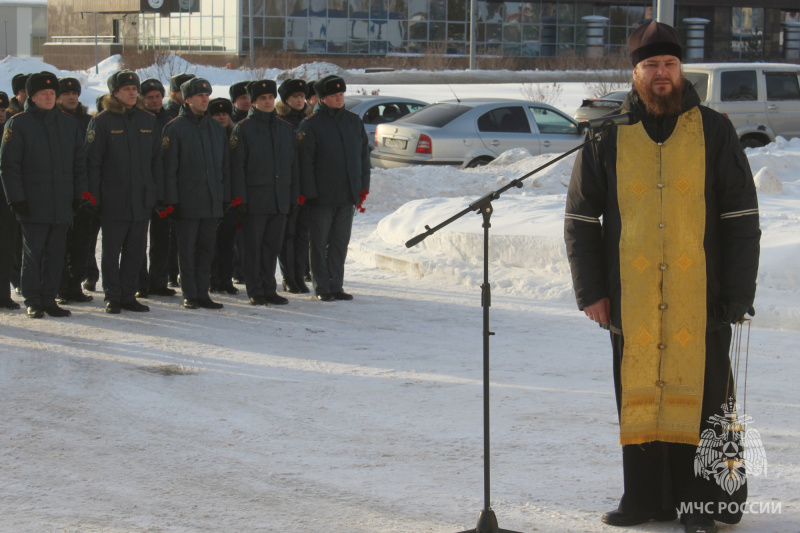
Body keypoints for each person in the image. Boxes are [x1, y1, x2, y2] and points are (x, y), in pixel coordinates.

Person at [564, 22, 760, 533]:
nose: (661, 74)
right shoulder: (607, 134)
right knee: (640, 397)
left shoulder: (714, 131)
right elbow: (581, 218)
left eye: (669, 64)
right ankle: (645, 498)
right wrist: (592, 291)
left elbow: (741, 217)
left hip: (705, 298)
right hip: (632, 298)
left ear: (680, 70)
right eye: (650, 65)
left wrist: (738, 294)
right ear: (634, 73)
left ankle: (703, 504)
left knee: (704, 400)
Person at [0, 71, 88, 318]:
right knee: (33, 253)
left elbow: (79, 163)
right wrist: (15, 199)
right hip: (32, 203)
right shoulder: (18, 123)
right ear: (33, 97)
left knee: (55, 254)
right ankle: (33, 300)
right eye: (43, 94)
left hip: (61, 203)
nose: (49, 98)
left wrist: (78, 194)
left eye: (52, 93)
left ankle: (49, 299)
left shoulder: (68, 124)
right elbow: (9, 166)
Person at [87, 70, 162, 314]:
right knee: (111, 250)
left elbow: (156, 162)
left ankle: (129, 294)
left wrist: (155, 193)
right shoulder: (102, 121)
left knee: (135, 250)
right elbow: (93, 163)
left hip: (141, 199)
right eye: (126, 89)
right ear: (115, 93)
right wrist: (95, 198)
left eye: (134, 89)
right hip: (113, 199)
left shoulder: (148, 120)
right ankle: (113, 295)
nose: (132, 93)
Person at [297, 74, 370, 301]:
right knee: (319, 243)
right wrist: (310, 194)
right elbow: (304, 163)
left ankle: (336, 284)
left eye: (341, 94)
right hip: (322, 196)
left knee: (340, 242)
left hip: (347, 194)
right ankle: (321, 286)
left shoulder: (353, 121)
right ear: (322, 98)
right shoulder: (311, 124)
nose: (339, 99)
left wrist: (362, 188)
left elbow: (363, 158)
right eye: (333, 95)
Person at [162, 77, 230, 310]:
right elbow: (169, 169)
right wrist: (172, 201)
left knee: (206, 249)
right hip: (187, 202)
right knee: (187, 250)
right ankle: (190, 293)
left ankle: (203, 292)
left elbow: (224, 167)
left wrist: (225, 196)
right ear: (187, 99)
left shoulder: (215, 128)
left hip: (211, 201)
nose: (204, 99)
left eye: (206, 95)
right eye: (200, 96)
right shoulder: (175, 128)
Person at [230, 79, 299, 306]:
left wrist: (293, 195)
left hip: (279, 199)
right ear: (253, 102)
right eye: (262, 98)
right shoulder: (245, 129)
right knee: (253, 246)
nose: (268, 102)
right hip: (255, 200)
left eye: (270, 98)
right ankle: (255, 289)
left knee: (272, 246)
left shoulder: (286, 128)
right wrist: (240, 199)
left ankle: (270, 287)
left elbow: (293, 166)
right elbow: (237, 167)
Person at [55, 76, 96, 305]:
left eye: (75, 93)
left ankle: (75, 286)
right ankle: (61, 287)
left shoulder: (87, 121)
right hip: (61, 192)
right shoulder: (54, 120)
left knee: (82, 243)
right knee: (61, 243)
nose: (72, 97)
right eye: (66, 93)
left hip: (84, 193)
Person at [136, 77, 178, 299]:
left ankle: (159, 281)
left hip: (165, 187)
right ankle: (140, 282)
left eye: (157, 96)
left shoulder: (172, 119)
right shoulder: (137, 119)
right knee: (138, 239)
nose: (154, 100)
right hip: (143, 186)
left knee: (162, 238)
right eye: (149, 97)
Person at [276, 78, 312, 294]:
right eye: (294, 97)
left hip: (307, 186)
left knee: (302, 235)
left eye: (301, 97)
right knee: (287, 235)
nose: (299, 100)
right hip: (287, 186)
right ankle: (288, 277)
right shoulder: (280, 121)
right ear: (286, 100)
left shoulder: (310, 119)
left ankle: (299, 275)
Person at [207, 96, 240, 295]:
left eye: (225, 114)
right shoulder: (208, 136)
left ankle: (226, 279)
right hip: (212, 197)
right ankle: (213, 279)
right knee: (211, 243)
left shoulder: (236, 135)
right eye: (217, 114)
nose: (221, 117)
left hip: (232, 198)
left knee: (228, 243)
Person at [0, 90, 20, 310]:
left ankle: (3, 295)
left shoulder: (11, 131)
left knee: (6, 250)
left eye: (3, 109)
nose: (1, 113)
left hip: (6, 200)